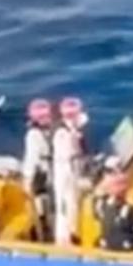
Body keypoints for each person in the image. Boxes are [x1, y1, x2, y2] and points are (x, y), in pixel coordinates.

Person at [52, 96, 89, 246]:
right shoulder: (62, 134)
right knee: (65, 207)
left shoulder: (70, 131)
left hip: (71, 172)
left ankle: (73, 233)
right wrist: (75, 140)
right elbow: (69, 155)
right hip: (65, 174)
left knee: (72, 205)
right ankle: (64, 240)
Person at [93, 172, 133, 251]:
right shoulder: (129, 209)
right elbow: (129, 224)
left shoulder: (102, 204)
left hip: (106, 244)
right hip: (124, 245)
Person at [22, 98, 54, 241]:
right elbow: (32, 159)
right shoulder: (37, 135)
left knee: (44, 207)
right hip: (43, 176)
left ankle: (44, 232)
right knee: (43, 207)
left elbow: (32, 160)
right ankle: (42, 234)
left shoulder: (39, 134)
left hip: (45, 174)